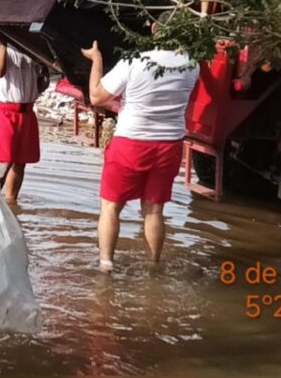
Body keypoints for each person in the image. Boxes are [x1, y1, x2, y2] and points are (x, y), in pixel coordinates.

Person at [80, 29, 199, 272]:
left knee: (111, 207)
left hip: (131, 142)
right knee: (154, 210)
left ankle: (106, 266)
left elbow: (96, 96)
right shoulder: (192, 64)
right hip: (169, 145)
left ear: (155, 31)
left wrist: (97, 60)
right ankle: (154, 265)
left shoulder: (135, 61)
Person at [0, 41, 48, 203]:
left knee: (20, 162)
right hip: (6, 110)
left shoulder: (32, 52)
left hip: (27, 111)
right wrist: (3, 43)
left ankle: (10, 202)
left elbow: (40, 85)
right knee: (5, 161)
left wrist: (45, 73)